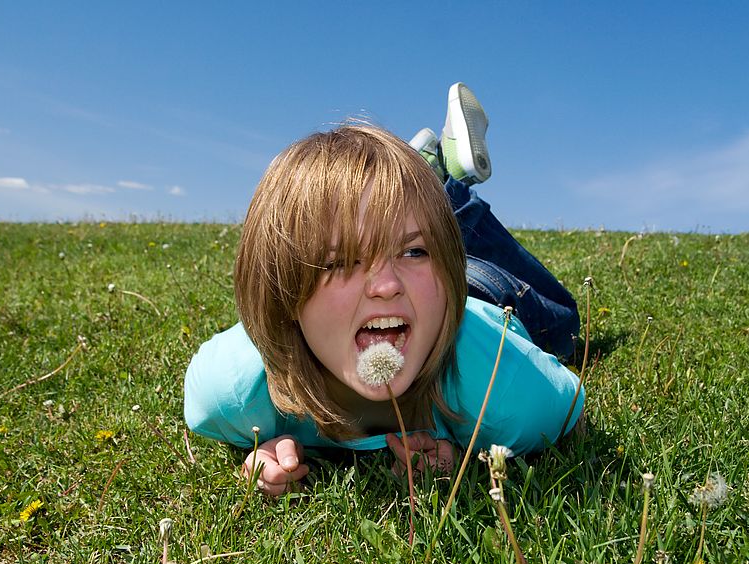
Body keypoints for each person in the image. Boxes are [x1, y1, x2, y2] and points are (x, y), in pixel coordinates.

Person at [184, 82, 585, 496]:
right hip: (429, 287)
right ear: (282, 291)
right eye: (339, 261)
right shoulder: (235, 391)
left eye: (413, 251)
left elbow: (569, 406)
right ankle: (424, 184)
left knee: (562, 321)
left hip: (482, 295)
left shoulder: (505, 395)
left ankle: (445, 192)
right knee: (411, 231)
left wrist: (468, 449)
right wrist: (255, 451)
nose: (386, 285)